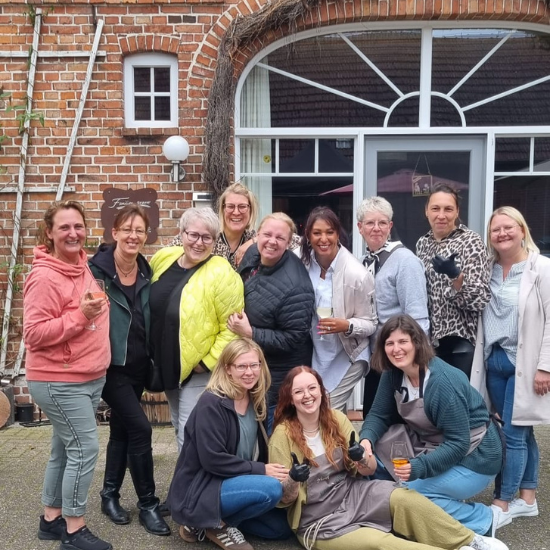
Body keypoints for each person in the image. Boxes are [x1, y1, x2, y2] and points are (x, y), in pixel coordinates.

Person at [269, 366, 508, 550]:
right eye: (298, 391)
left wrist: (361, 458)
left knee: (405, 497)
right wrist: (293, 480)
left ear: (321, 391)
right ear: (290, 398)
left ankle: (470, 540)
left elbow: (367, 470)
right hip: (318, 520)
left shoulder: (336, 419)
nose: (307, 396)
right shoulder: (282, 435)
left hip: (352, 494)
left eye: (312, 388)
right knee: (381, 543)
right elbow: (285, 499)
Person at [360, 315, 503, 535]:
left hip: (475, 456)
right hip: (433, 443)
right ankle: (411, 507)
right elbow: (378, 414)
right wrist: (366, 440)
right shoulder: (393, 374)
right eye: (389, 343)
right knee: (374, 456)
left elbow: (458, 443)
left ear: (417, 343)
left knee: (413, 496)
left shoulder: (443, 382)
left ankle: (483, 518)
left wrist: (419, 468)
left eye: (403, 342)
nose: (396, 349)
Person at [24, 201, 112, 550]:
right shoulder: (44, 277)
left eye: (78, 226)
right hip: (60, 380)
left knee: (63, 449)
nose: (73, 233)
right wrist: (80, 316)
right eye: (64, 227)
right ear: (49, 232)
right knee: (85, 448)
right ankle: (74, 529)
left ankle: (51, 519)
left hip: (87, 376)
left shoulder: (81, 265)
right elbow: (33, 334)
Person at [89, 204, 170, 536]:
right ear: (115, 233)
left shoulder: (147, 272)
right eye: (127, 229)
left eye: (140, 230)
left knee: (121, 430)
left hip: (138, 367)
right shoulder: (95, 272)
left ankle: (109, 496)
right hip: (110, 368)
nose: (133, 236)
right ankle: (148, 504)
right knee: (141, 429)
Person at [167, 338, 292, 550]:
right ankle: (211, 524)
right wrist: (262, 470)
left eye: (254, 365)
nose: (249, 372)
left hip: (237, 480)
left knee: (280, 529)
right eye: (241, 366)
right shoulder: (212, 403)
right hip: (204, 487)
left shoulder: (256, 399)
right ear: (228, 369)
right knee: (271, 489)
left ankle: (211, 524)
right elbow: (212, 460)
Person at [471, 206, 550, 527]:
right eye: (496, 229)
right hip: (494, 360)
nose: (502, 234)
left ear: (522, 230)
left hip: (525, 363)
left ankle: (502, 502)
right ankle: (528, 498)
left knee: (512, 436)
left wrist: (545, 367)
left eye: (508, 227)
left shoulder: (541, 268)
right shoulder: (486, 269)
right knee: (521, 430)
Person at [149, 207, 244, 451]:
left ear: (215, 240)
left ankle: (193, 477)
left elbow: (232, 328)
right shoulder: (163, 259)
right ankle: (190, 474)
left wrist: (206, 363)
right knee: (178, 425)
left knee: (189, 432)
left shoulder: (222, 273)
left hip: (199, 370)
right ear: (181, 234)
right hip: (168, 365)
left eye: (206, 237)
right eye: (193, 235)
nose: (199, 243)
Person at [228, 212, 315, 433]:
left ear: (289, 242)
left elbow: (295, 337)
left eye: (280, 238)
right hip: (253, 367)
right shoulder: (252, 253)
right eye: (267, 234)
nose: (272, 241)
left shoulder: (296, 286)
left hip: (277, 378)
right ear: (257, 235)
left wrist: (251, 333)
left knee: (272, 435)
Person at [357, 196, 429, 417]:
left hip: (400, 359)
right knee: (373, 420)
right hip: (376, 359)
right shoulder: (363, 262)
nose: (376, 228)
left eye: (382, 223)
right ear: (360, 228)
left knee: (400, 425)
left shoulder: (405, 261)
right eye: (370, 223)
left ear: (390, 226)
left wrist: (413, 363)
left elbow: (417, 317)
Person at [300, 206, 377, 411]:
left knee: (328, 410)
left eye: (329, 232)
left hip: (348, 355)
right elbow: (277, 240)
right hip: (317, 353)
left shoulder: (357, 274)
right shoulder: (304, 261)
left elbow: (371, 323)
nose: (323, 239)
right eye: (317, 233)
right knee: (327, 413)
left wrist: (347, 325)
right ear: (308, 235)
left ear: (337, 234)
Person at [417, 183, 491, 378]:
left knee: (457, 395)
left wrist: (455, 276)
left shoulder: (470, 241)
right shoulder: (422, 244)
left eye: (448, 209)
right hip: (430, 343)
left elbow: (480, 299)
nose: (441, 215)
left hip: (461, 341)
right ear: (426, 211)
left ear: (457, 211)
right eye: (435, 208)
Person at [169, 183, 259, 269]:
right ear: (222, 209)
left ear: (251, 210)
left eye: (242, 206)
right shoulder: (207, 231)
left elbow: (266, 238)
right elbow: (168, 256)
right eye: (230, 206)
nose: (236, 212)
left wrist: (253, 242)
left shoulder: (251, 238)